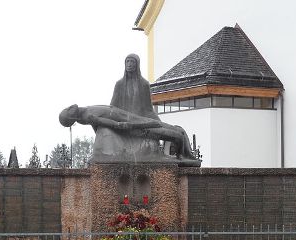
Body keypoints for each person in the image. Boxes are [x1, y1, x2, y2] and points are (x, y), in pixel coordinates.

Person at [59, 104, 197, 162]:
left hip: (124, 116)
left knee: (161, 128)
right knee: (163, 131)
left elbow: (99, 124)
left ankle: (182, 152)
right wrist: (144, 125)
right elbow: (116, 125)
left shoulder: (84, 111)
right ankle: (181, 150)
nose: (71, 106)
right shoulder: (87, 116)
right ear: (72, 119)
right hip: (128, 123)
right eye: (68, 111)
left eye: (67, 108)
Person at [110, 54, 160, 121]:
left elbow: (148, 109)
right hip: (123, 120)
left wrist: (159, 122)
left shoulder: (144, 84)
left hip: (139, 120)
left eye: (132, 61)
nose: (129, 64)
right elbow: (113, 106)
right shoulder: (119, 84)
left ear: (137, 64)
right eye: (127, 61)